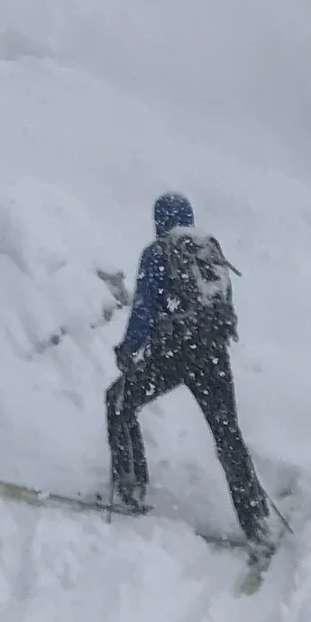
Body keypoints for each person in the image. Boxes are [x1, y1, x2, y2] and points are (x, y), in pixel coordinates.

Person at [105, 193, 271, 556]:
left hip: (174, 356)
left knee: (118, 400)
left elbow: (143, 309)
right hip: (213, 356)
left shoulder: (158, 253)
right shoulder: (208, 250)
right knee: (227, 434)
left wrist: (128, 350)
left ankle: (131, 487)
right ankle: (256, 519)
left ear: (159, 220)